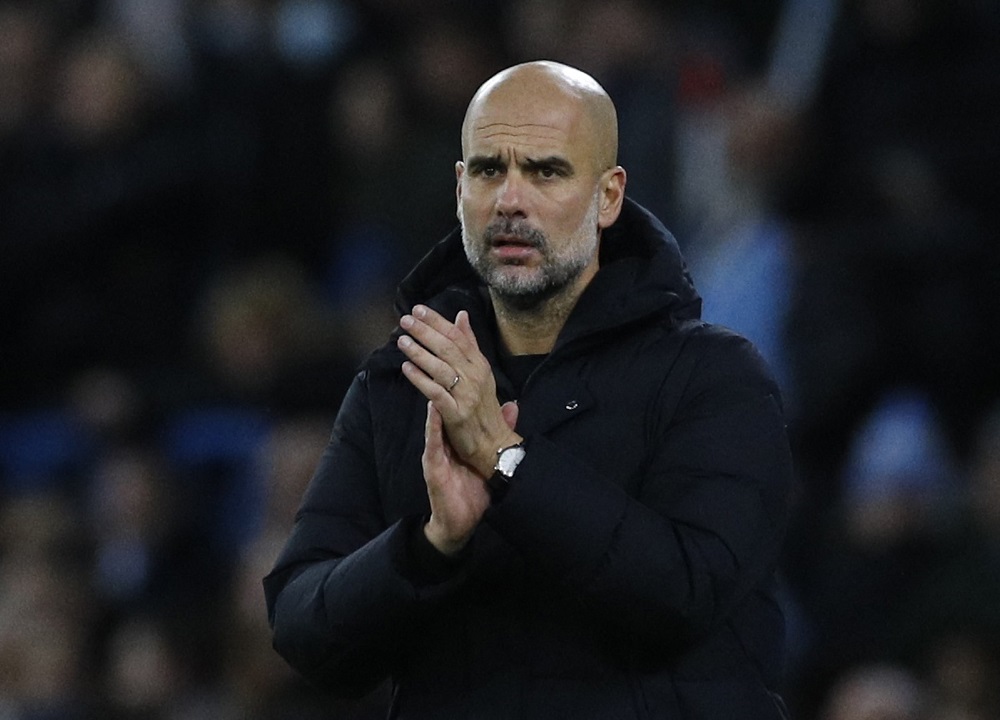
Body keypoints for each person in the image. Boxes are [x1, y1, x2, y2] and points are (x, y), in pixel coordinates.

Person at [264, 60, 792, 719]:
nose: (511, 200)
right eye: (489, 170)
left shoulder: (713, 377)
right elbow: (303, 629)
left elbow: (686, 595)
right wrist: (430, 547)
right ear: (460, 189)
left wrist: (509, 462)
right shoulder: (402, 384)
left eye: (545, 170)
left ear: (608, 195)